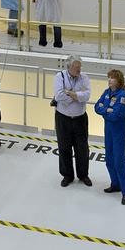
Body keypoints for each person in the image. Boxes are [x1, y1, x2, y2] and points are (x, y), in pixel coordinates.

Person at [52, 54, 91, 187]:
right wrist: (77, 96)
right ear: (69, 67)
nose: (79, 70)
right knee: (64, 147)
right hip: (63, 118)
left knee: (82, 148)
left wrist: (70, 93)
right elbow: (58, 96)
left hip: (80, 118)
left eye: (80, 67)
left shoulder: (84, 77)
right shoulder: (59, 77)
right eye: (76, 67)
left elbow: (87, 95)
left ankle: (83, 174)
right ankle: (67, 175)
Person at [94, 68, 125, 205]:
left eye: (112, 78)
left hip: (119, 132)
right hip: (108, 131)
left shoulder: (123, 96)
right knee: (109, 160)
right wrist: (106, 110)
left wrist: (105, 111)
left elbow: (117, 115)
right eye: (108, 77)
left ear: (119, 80)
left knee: (119, 162)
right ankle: (115, 184)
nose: (109, 80)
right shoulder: (106, 92)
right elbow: (97, 106)